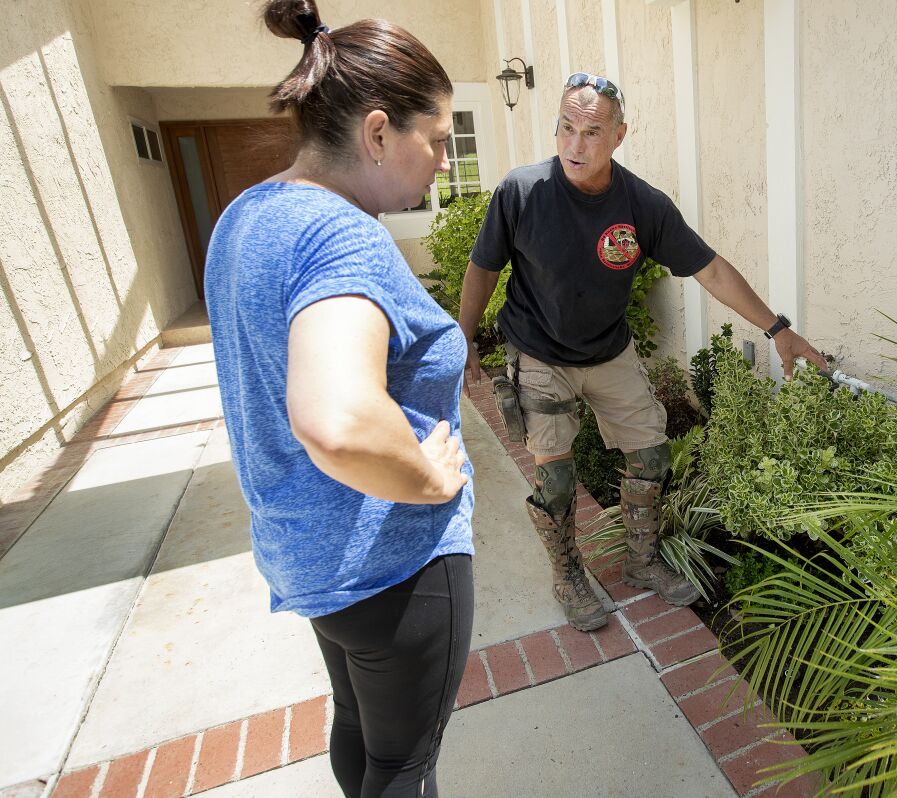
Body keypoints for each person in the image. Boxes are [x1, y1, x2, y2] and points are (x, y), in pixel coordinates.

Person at [204, 2, 472, 796]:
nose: (444, 164)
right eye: (437, 139)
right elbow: (339, 419)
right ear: (380, 132)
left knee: (362, 738)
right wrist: (431, 480)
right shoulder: (339, 235)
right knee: (405, 768)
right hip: (393, 566)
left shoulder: (245, 217)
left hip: (314, 562)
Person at [458, 72, 826, 632]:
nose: (576, 146)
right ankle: (569, 574)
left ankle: (641, 560)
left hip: (608, 352)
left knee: (651, 456)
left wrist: (778, 329)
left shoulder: (642, 204)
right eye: (566, 128)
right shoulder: (522, 192)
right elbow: (483, 267)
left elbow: (712, 270)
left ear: (620, 135)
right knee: (555, 478)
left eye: (592, 132)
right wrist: (463, 336)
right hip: (539, 354)